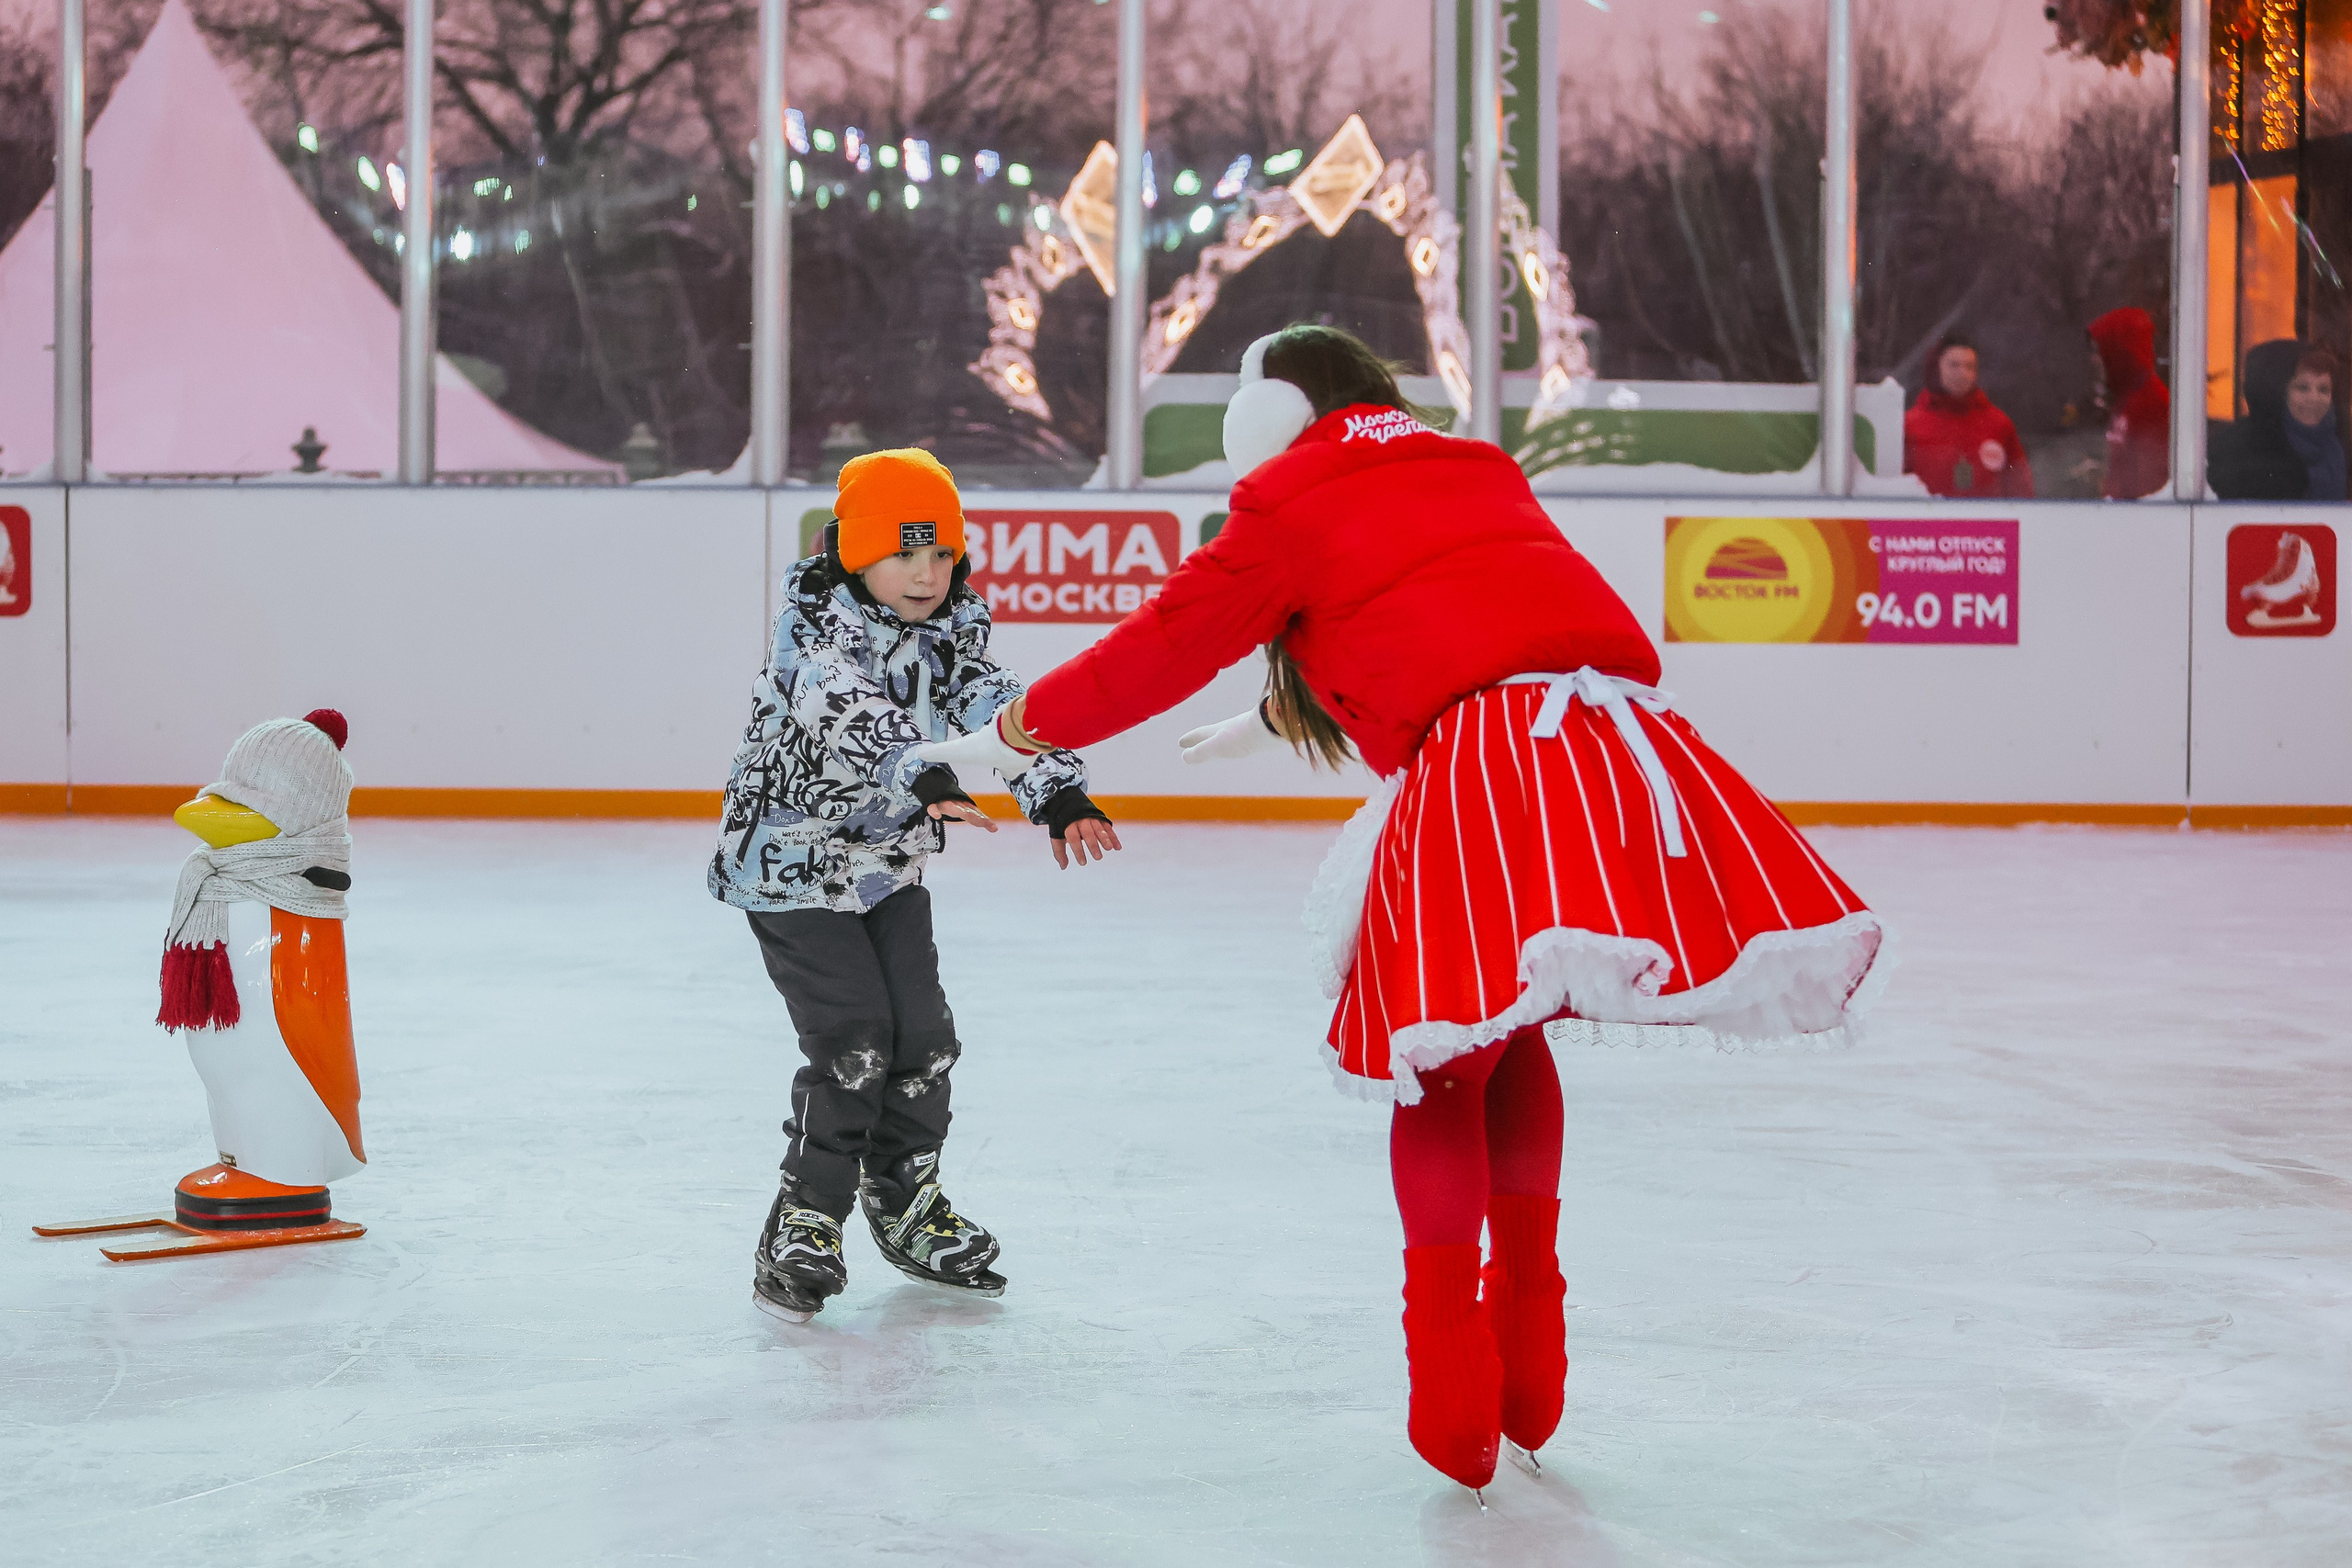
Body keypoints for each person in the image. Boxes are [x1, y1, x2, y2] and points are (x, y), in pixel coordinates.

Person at [922, 326, 1891, 1492]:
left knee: (1436, 1058)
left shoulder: (1286, 497)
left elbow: (1163, 647)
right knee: (1510, 1025)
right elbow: (1458, 608)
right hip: (1610, 745)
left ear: (1273, 412)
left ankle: (1455, 1392)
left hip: (1486, 764)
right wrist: (1274, 717)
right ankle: (1531, 1368)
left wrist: (1024, 728)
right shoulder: (1471, 461)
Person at [709, 448, 1122, 1324]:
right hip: (789, 865)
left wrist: (1059, 792)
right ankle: (806, 1219)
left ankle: (905, 1199)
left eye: (942, 555)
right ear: (856, 556)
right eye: (905, 554)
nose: (928, 574)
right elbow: (847, 713)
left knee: (924, 1037)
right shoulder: (813, 636)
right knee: (855, 1040)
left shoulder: (952, 633)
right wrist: (929, 778)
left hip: (884, 865)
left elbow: (1001, 707)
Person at [2210, 339, 2348, 502]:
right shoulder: (2239, 448)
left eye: (2323, 390)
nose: (2314, 398)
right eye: (2302, 388)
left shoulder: (2337, 449)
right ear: (2278, 392)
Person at [1904, 333, 2034, 497]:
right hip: (1929, 520)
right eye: (1954, 365)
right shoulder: (1910, 424)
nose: (1963, 373)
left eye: (1969, 366)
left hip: (1988, 521)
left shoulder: (1998, 424)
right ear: (1936, 368)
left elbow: (2021, 490)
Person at [2086, 307, 2170, 499]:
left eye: (2100, 352)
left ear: (2119, 353)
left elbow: (2150, 487)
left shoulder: (2152, 404)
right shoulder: (2128, 400)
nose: (2094, 360)